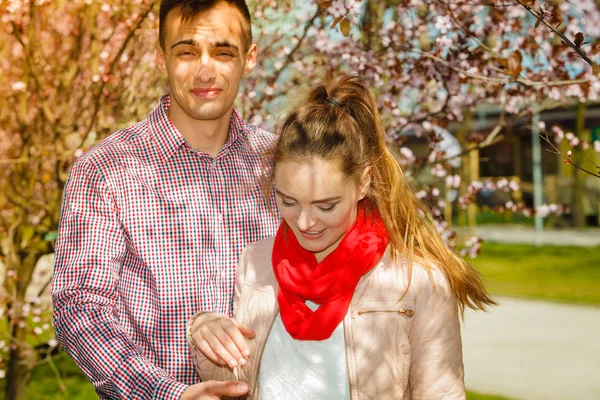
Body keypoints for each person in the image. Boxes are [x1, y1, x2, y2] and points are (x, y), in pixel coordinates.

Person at [187, 73, 496, 399]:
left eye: (326, 205)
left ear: (363, 182)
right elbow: (238, 381)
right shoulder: (255, 262)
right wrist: (205, 330)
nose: (304, 222)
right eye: (288, 201)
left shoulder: (417, 282)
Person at [51, 1, 280, 398]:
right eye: (187, 51)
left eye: (223, 52)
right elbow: (80, 305)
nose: (205, 70)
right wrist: (164, 394)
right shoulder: (107, 169)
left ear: (250, 57)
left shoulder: (279, 165)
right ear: (161, 58)